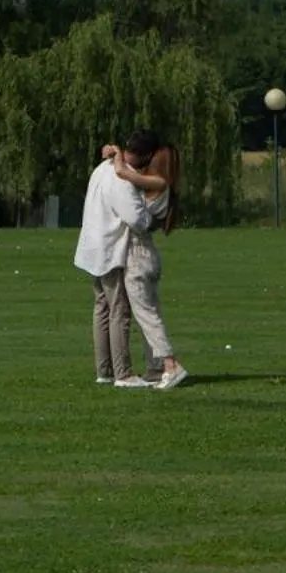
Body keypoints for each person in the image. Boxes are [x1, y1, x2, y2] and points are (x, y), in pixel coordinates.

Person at [107, 131, 189, 391]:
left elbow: (122, 172)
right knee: (151, 313)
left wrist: (116, 152)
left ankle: (170, 364)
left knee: (147, 316)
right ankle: (156, 369)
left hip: (137, 256)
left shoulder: (156, 182)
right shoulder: (163, 184)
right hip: (148, 255)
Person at [73, 138, 155, 389]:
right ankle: (124, 373)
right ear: (145, 155)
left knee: (102, 309)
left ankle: (104, 370)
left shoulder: (102, 168)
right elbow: (136, 220)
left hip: (93, 247)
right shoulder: (124, 178)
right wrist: (150, 214)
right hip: (110, 250)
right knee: (119, 309)